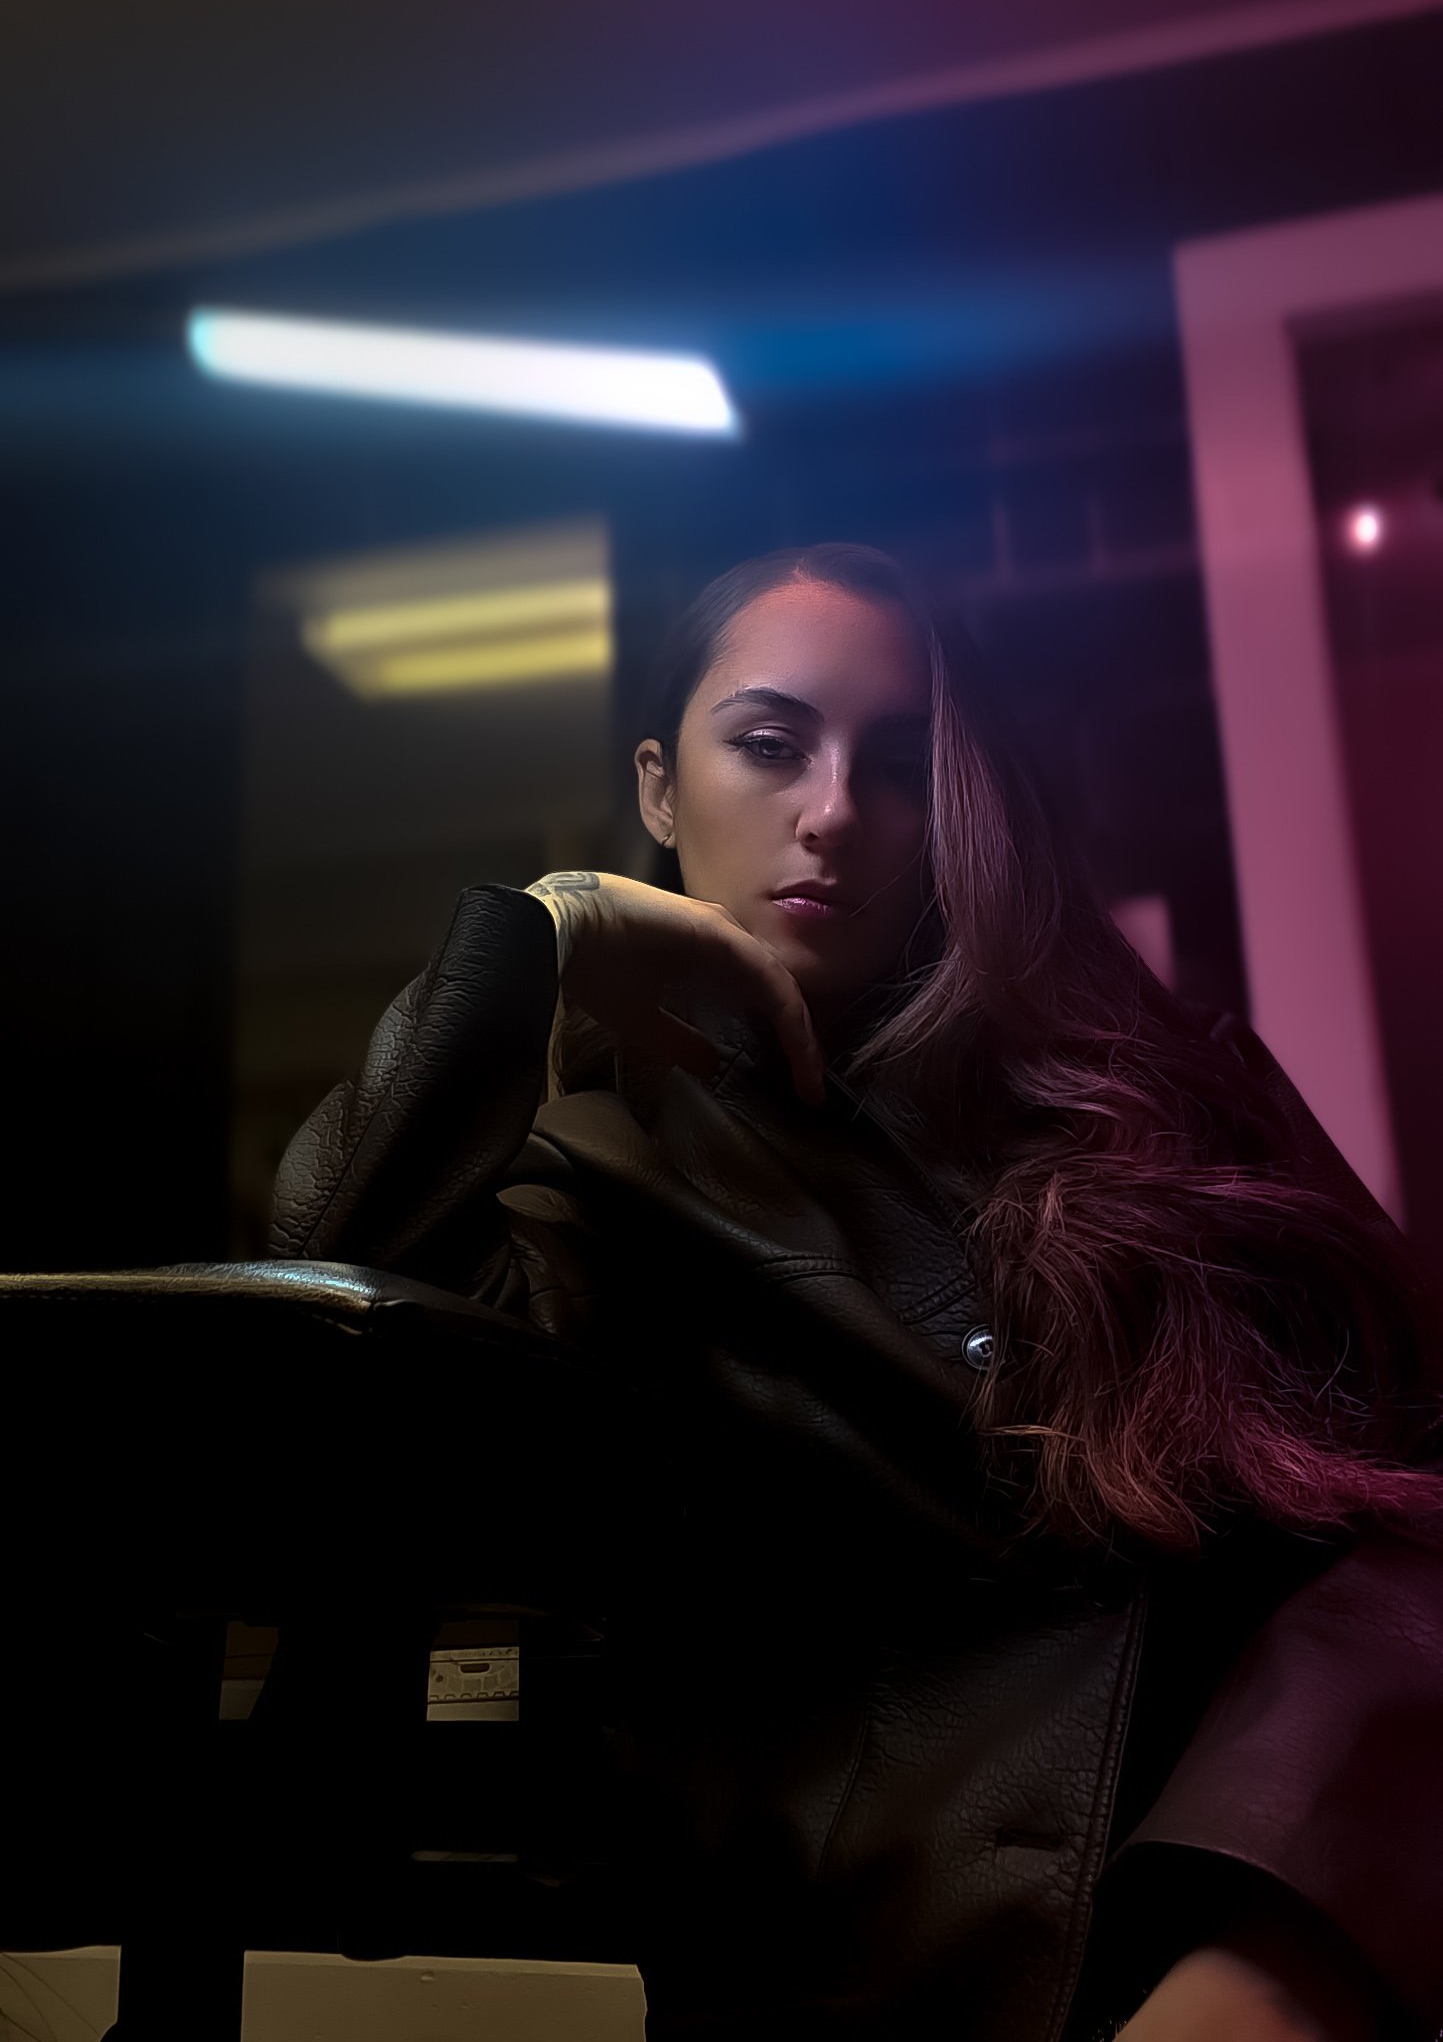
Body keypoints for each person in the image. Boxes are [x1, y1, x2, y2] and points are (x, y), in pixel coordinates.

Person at [271, 540, 1443, 2042]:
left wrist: (1275, 1942)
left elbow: (1416, 1481)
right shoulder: (603, 1174)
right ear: (657, 788)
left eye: (899, 767)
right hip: (896, 1964)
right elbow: (332, 1318)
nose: (833, 813)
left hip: (1260, 1917)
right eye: (770, 746)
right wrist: (547, 937)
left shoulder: (1168, 1093)